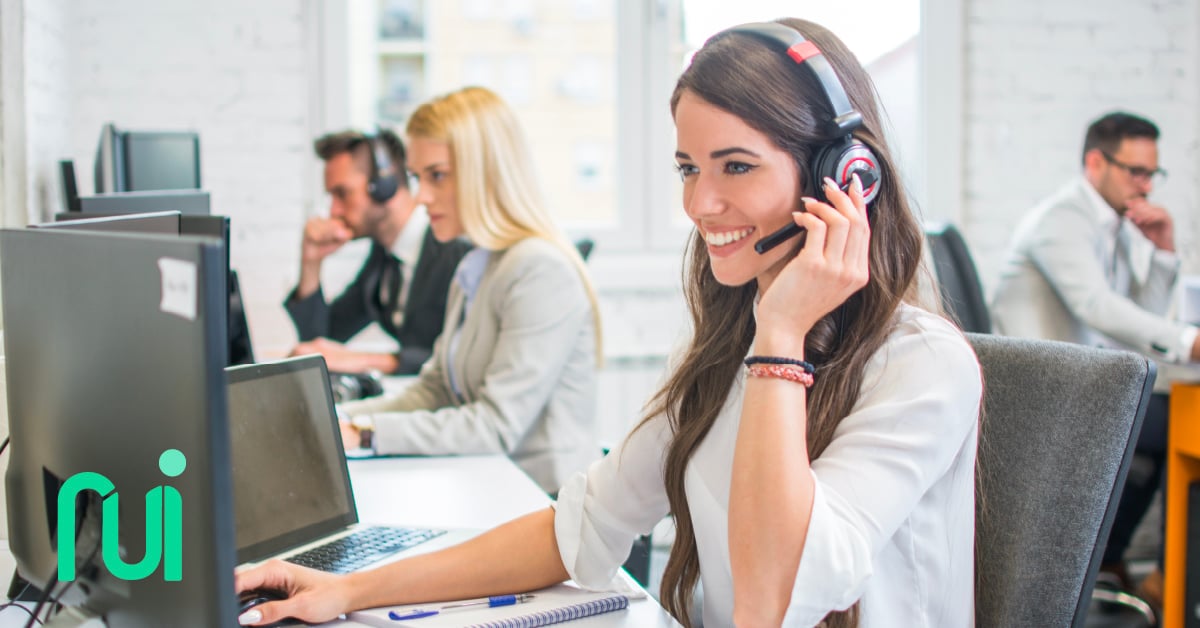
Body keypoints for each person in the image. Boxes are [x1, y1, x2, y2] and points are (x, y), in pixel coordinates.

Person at [237, 19, 981, 628]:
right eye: (689, 168)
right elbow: (583, 526)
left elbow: (771, 605)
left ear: (843, 176)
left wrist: (782, 341)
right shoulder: (731, 342)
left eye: (737, 167)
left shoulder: (922, 367)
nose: (699, 206)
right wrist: (350, 590)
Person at [334, 86, 604, 496]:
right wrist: (337, 419)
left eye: (437, 176)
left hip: (549, 508)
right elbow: (436, 388)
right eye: (417, 177)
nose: (422, 196)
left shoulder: (539, 270)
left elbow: (495, 427)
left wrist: (364, 432)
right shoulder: (476, 265)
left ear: (486, 172)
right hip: (493, 491)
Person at [991, 111, 1193, 606]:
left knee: (1164, 423)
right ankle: (1171, 579)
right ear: (1095, 162)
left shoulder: (1117, 224)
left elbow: (1137, 322)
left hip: (1080, 383)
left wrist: (1163, 252)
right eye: (1135, 172)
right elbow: (1098, 308)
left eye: (1152, 174)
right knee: (1173, 422)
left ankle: (1113, 560)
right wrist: (1188, 342)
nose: (1146, 186)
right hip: (1043, 391)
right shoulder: (1063, 218)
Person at [285, 128, 472, 375]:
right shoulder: (383, 260)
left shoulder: (458, 250)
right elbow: (321, 342)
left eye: (342, 194)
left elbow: (466, 358)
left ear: (385, 185)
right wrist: (311, 261)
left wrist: (368, 360)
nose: (334, 211)